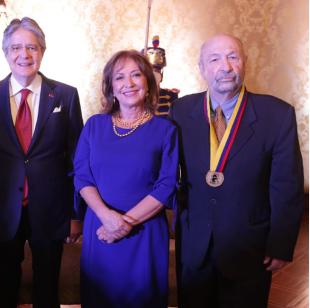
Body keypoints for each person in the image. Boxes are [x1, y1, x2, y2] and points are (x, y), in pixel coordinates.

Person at [170, 34, 304, 307]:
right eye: (215, 59)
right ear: (202, 68)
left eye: (233, 57)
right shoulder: (180, 111)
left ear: (245, 62)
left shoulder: (277, 115)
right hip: (194, 246)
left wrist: (281, 244)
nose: (225, 67)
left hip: (249, 247)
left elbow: (286, 186)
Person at [0, 17, 84, 308]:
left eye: (32, 47)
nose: (25, 55)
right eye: (17, 48)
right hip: (0, 211)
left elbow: (76, 159)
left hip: (50, 209)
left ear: (42, 52)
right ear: (6, 53)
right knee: (3, 288)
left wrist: (75, 213)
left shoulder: (65, 96)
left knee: (47, 289)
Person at [74, 50, 178, 307]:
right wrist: (108, 218)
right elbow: (82, 177)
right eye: (120, 77)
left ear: (149, 83)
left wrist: (125, 223)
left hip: (144, 235)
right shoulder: (94, 126)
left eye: (136, 75)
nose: (128, 84)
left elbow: (167, 185)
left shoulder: (166, 130)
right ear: (111, 86)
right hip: (99, 228)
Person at [143, 35, 179, 117]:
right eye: (149, 70)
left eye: (157, 70)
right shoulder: (135, 96)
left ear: (162, 74)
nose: (154, 74)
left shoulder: (171, 96)